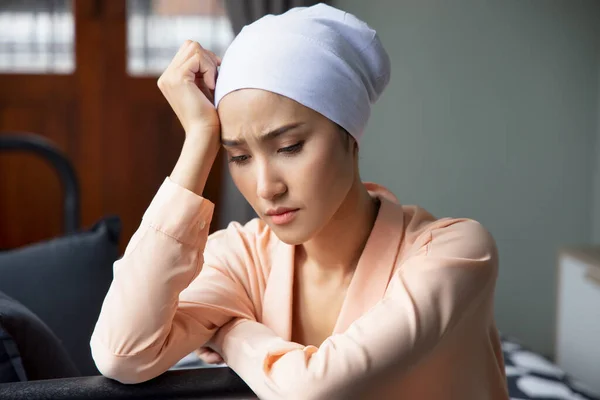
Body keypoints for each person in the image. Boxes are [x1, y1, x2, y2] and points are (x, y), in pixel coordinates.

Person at [90, 4, 509, 399]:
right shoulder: (244, 257)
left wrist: (232, 331)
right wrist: (199, 139)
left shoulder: (457, 252)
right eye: (238, 157)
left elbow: (315, 390)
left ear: (351, 137)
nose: (266, 187)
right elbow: (122, 354)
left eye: (289, 147)